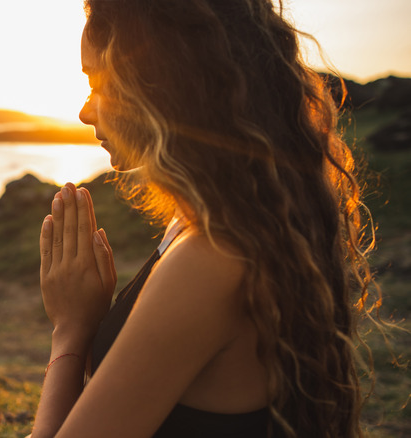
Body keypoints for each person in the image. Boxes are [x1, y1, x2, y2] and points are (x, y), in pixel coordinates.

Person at [30, 0, 377, 437]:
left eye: (99, 83)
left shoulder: (211, 259)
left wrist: (71, 328)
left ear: (165, 84)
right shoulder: (207, 226)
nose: (85, 111)